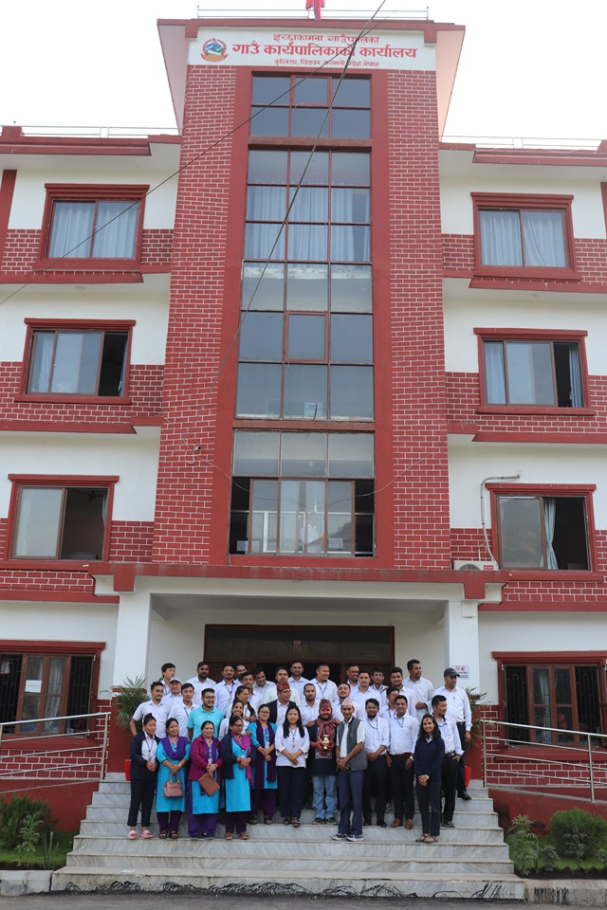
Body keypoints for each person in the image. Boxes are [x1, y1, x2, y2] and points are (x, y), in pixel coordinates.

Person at [331, 697, 367, 843]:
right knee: (344, 799)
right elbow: (337, 745)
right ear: (341, 710)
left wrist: (345, 760)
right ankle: (343, 830)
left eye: (349, 709)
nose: (346, 711)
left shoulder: (359, 724)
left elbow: (359, 745)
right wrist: (338, 760)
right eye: (344, 709)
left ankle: (357, 832)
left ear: (353, 710)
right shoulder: (340, 726)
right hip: (343, 767)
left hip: (356, 767)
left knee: (356, 799)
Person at [432, 668, 472, 799]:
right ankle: (442, 789)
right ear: (445, 678)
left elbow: (467, 712)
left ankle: (461, 790)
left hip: (459, 728)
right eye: (451, 677)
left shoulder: (461, 693)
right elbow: (431, 709)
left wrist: (467, 730)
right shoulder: (438, 692)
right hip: (441, 727)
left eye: (455, 677)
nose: (454, 680)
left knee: (459, 758)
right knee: (441, 758)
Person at [431, 694, 463, 828]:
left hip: (450, 758)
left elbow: (456, 738)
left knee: (450, 790)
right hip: (434, 760)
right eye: (442, 706)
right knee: (436, 790)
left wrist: (458, 754)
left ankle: (448, 818)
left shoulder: (450, 721)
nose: (444, 708)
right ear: (434, 707)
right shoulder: (428, 721)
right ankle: (437, 817)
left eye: (445, 706)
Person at [387, 694, 418, 829]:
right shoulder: (390, 721)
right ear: (394, 706)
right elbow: (387, 739)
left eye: (403, 704)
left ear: (407, 706)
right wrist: (387, 755)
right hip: (393, 759)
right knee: (396, 789)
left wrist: (412, 757)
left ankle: (409, 818)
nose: (400, 706)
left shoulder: (412, 721)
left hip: (407, 759)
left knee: (408, 789)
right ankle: (398, 817)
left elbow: (416, 740)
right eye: (398, 704)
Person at [275, 706, 309, 827]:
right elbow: (278, 744)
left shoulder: (303, 729)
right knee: (284, 790)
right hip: (283, 763)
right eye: (290, 714)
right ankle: (287, 815)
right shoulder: (280, 729)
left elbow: (306, 745)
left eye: (295, 714)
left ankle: (296, 816)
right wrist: (290, 756)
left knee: (297, 790)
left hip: (299, 764)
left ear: (298, 716)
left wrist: (295, 755)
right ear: (286, 715)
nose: (292, 716)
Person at [156, 717, 190, 839]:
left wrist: (178, 766)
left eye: (176, 726)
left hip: (179, 773)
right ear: (167, 729)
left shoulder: (184, 741)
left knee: (177, 801)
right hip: (165, 773)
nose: (174, 729)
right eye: (172, 727)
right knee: (163, 802)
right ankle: (163, 829)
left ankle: (174, 829)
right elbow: (159, 754)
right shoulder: (163, 742)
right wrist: (171, 766)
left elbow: (188, 754)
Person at [220, 714, 253, 840]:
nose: (239, 728)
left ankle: (241, 831)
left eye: (241, 726)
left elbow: (253, 754)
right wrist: (239, 759)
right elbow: (225, 755)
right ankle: (229, 831)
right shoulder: (226, 740)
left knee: (243, 802)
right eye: (237, 726)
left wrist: (248, 760)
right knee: (231, 802)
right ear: (231, 727)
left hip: (244, 776)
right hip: (232, 775)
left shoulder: (246, 739)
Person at [188, 720, 222, 839]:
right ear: (202, 730)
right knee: (196, 805)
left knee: (211, 805)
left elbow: (222, 757)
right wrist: (206, 766)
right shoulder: (196, 742)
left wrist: (215, 765)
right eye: (207, 728)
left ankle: (209, 831)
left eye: (211, 728)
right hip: (198, 777)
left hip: (213, 777)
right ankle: (195, 831)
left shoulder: (217, 743)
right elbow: (194, 756)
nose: (209, 730)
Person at [414, 713, 445, 844]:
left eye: (429, 723)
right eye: (425, 724)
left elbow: (438, 761)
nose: (427, 726)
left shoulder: (439, 742)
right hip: (421, 779)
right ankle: (425, 832)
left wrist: (427, 776)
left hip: (433, 779)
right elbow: (416, 760)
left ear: (434, 725)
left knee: (435, 807)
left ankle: (434, 833)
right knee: (423, 807)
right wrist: (421, 776)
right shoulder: (420, 741)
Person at [127, 713, 159, 840]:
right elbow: (133, 755)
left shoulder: (157, 740)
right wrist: (145, 763)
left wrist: (155, 764)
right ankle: (132, 828)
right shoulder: (137, 738)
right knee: (135, 800)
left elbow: (159, 755)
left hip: (151, 773)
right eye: (150, 725)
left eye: (154, 725)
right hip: (138, 773)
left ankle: (145, 828)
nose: (153, 728)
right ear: (144, 726)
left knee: (148, 801)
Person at [308, 698, 338, 825]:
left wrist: (334, 744)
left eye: (327, 710)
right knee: (317, 791)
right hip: (316, 763)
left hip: (332, 763)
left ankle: (330, 815)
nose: (325, 712)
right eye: (323, 710)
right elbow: (305, 742)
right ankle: (319, 814)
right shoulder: (312, 726)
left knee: (331, 791)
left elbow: (341, 742)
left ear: (331, 711)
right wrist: (315, 744)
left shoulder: (337, 726)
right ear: (319, 711)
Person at [362, 697, 390, 828]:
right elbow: (359, 741)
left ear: (378, 709)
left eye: (374, 707)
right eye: (369, 707)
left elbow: (386, 741)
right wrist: (367, 754)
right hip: (364, 758)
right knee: (365, 789)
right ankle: (367, 817)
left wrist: (376, 754)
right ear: (365, 709)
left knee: (381, 788)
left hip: (380, 759)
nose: (371, 709)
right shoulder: (361, 722)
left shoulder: (384, 722)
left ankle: (380, 817)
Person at [249, 703, 278, 825]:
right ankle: (253, 814)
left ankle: (268, 815)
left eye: (267, 712)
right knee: (256, 788)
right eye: (262, 712)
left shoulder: (274, 726)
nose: (265, 714)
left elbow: (277, 739)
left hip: (271, 759)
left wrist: (269, 750)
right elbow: (253, 739)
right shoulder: (252, 726)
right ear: (258, 713)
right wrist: (263, 752)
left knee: (270, 789)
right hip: (258, 760)